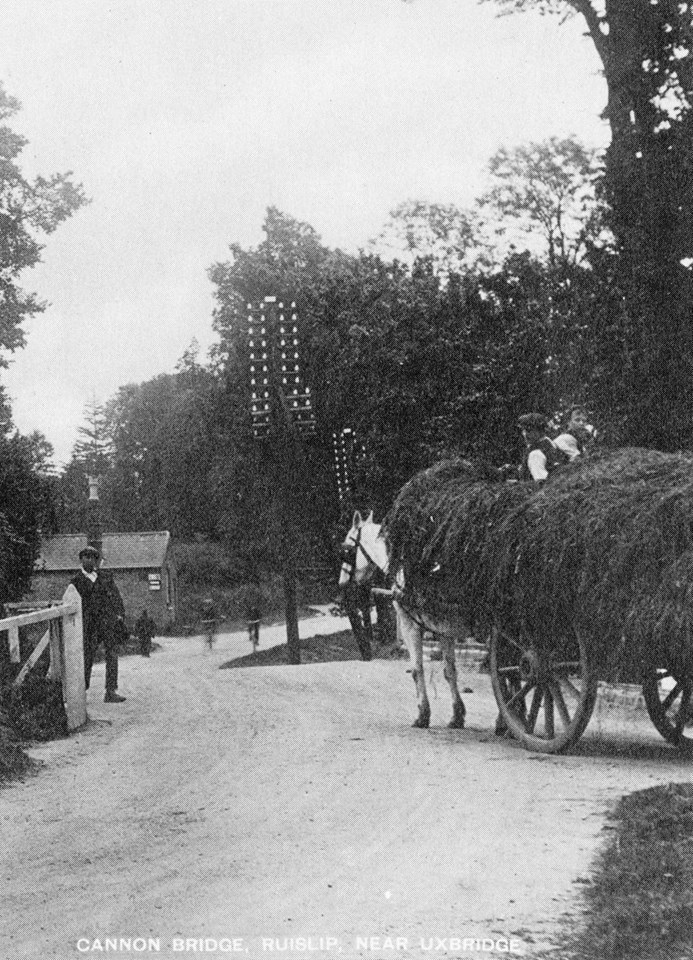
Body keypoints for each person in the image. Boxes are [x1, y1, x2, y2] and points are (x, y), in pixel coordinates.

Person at [71, 545, 127, 703]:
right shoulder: (75, 581)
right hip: (89, 625)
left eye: (92, 557)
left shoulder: (105, 577)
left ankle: (110, 691)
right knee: (87, 657)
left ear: (96, 560)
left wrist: (120, 614)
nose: (89, 560)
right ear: (81, 559)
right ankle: (82, 691)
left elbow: (116, 597)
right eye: (86, 557)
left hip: (107, 623)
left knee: (112, 655)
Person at [518, 412, 572, 482]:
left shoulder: (546, 445)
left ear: (540, 431)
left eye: (529, 430)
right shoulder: (530, 447)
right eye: (523, 430)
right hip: (531, 483)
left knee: (535, 455)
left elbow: (555, 465)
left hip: (549, 480)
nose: (525, 434)